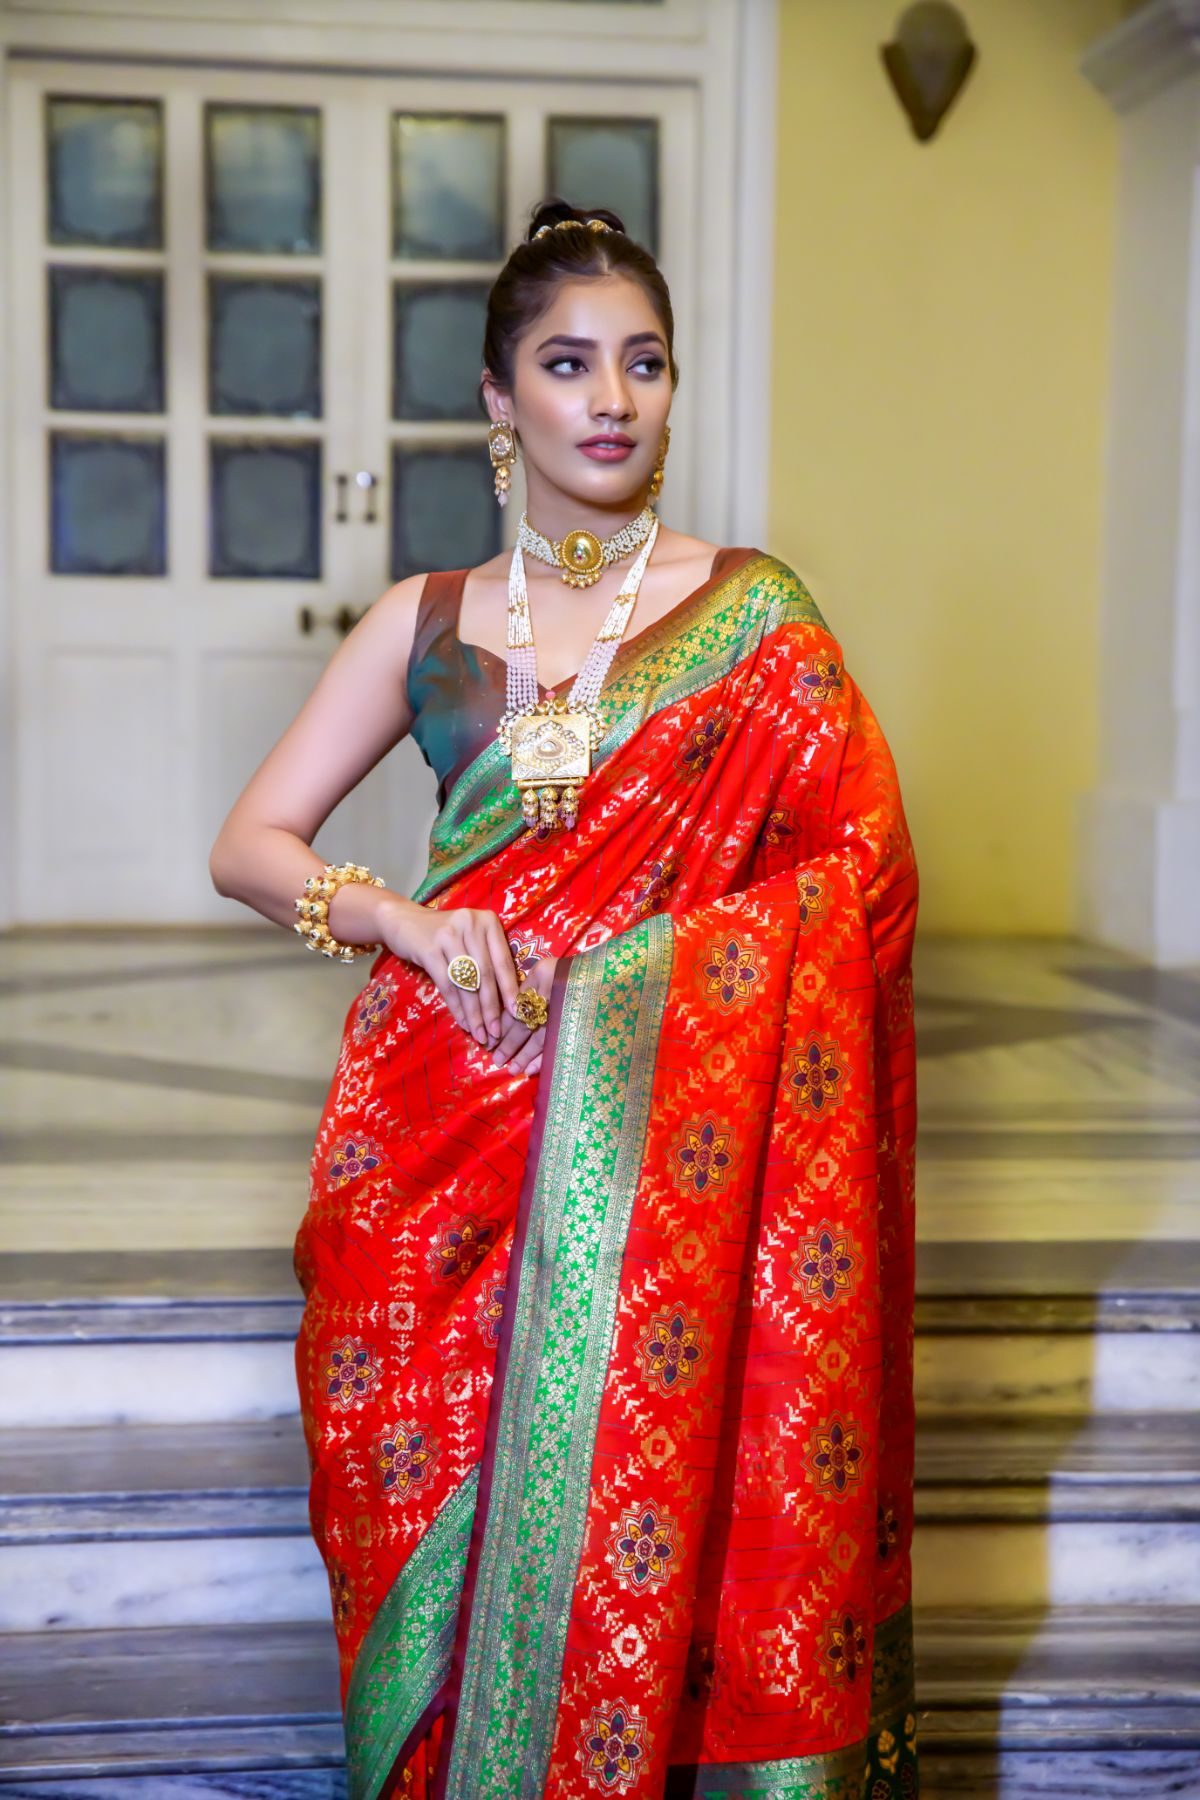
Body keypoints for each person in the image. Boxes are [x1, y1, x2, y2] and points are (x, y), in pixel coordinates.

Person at [210, 196, 920, 1800]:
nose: (612, 398)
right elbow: (250, 844)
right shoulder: (434, 622)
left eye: (644, 362)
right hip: (435, 1148)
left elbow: (862, 874)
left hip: (677, 1176)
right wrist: (405, 923)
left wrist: (646, 996)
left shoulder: (756, 624)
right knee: (429, 1550)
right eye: (569, 361)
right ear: (497, 399)